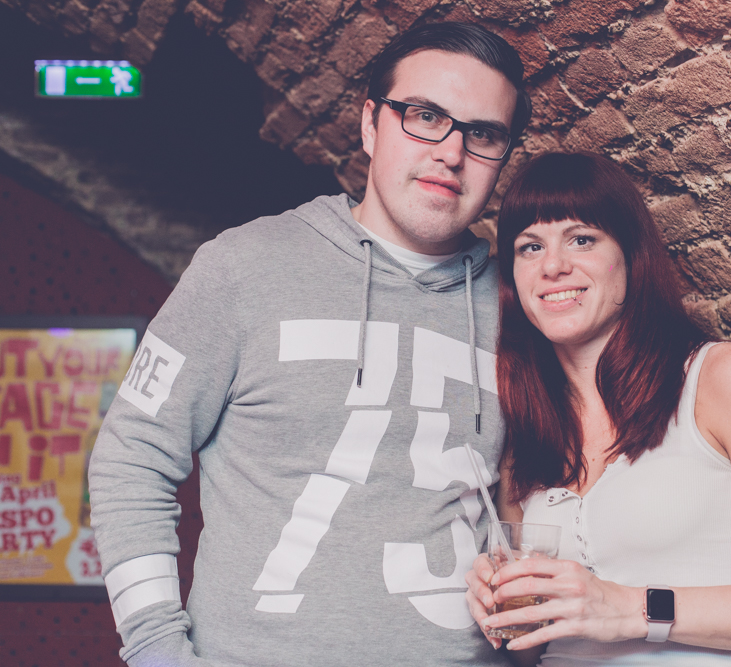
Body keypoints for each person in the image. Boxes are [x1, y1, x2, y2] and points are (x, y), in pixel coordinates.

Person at [89, 22, 532, 666]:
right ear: (370, 124)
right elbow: (132, 457)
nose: (451, 152)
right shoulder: (242, 268)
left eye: (483, 134)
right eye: (425, 117)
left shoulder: (524, 308)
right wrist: (156, 648)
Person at [465, 152, 731, 666]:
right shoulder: (526, 432)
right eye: (530, 247)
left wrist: (629, 609)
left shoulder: (725, 378)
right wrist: (503, 605)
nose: (553, 266)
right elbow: (531, 651)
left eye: (582, 239)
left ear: (632, 255)